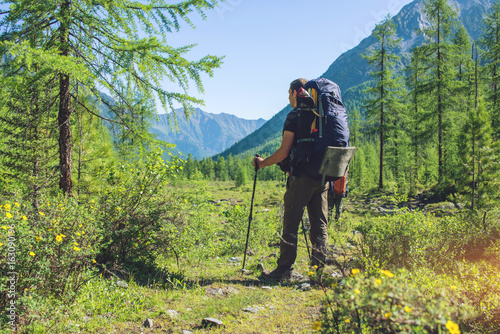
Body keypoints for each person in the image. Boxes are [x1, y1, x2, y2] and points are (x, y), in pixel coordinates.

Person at [253, 78, 329, 280]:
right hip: (323, 176)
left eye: (289, 93)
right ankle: (318, 272)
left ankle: (284, 269)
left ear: (296, 93)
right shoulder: (322, 115)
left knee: (291, 224)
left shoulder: (294, 116)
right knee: (319, 224)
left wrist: (262, 163)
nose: (288, 97)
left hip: (302, 176)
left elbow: (284, 152)